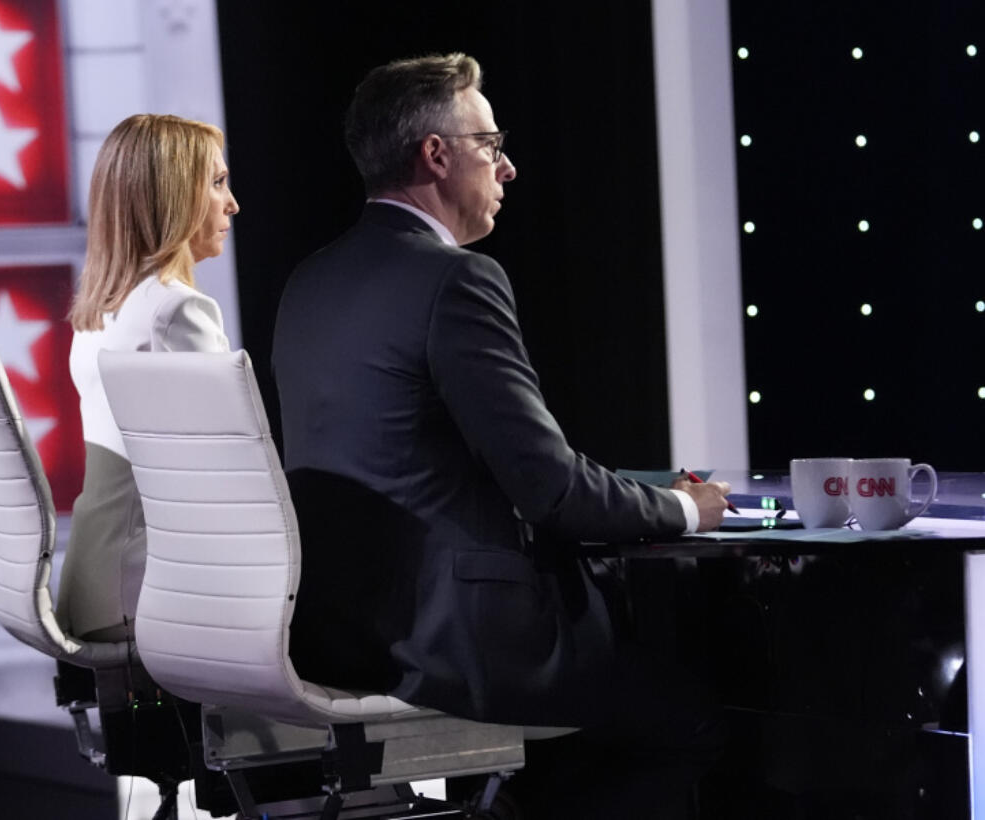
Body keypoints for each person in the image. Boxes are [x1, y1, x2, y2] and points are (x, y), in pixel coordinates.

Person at [272, 54, 731, 817]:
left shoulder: (309, 281)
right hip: (459, 645)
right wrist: (691, 511)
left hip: (339, 634)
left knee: (587, 747)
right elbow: (553, 493)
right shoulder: (457, 280)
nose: (508, 167)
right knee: (695, 719)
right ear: (436, 155)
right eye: (490, 145)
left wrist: (633, 489)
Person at [59, 113, 239, 643]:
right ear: (173, 196)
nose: (232, 204)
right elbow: (234, 476)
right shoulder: (177, 311)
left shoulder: (98, 315)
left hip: (91, 586)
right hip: (149, 594)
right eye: (217, 183)